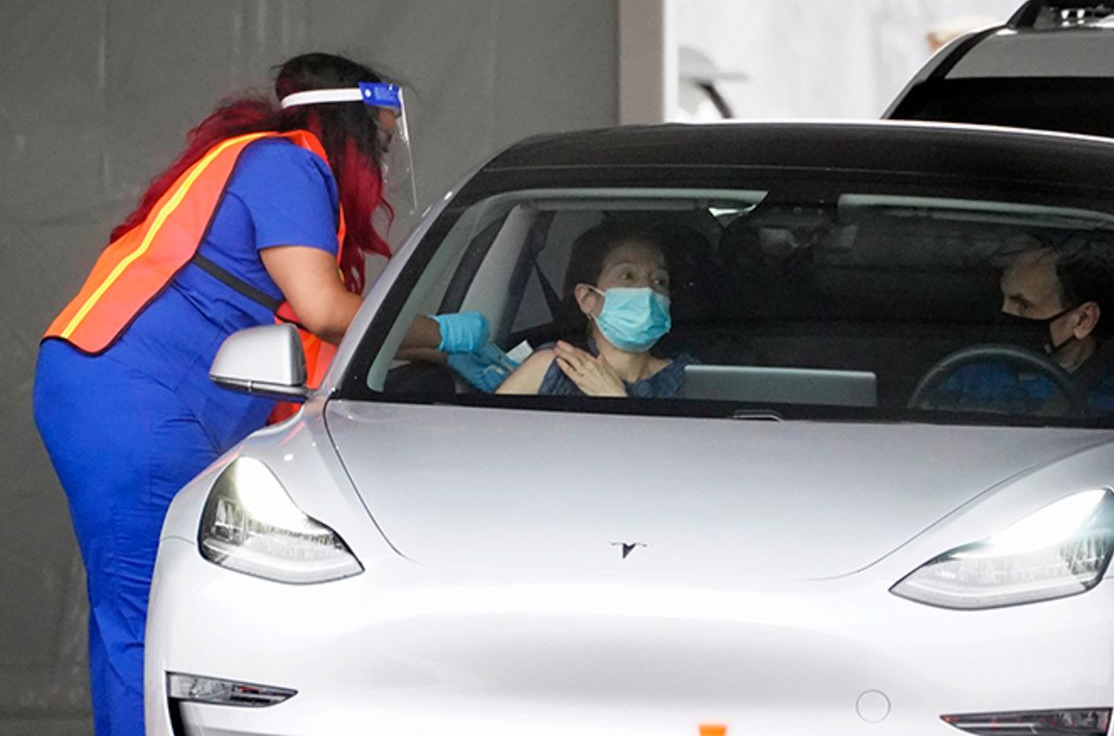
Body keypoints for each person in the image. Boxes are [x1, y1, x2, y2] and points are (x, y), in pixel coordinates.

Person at [31, 53, 491, 736]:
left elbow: (319, 349)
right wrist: (448, 334)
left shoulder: (271, 169)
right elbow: (326, 310)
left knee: (129, 617)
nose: (386, 164)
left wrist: (424, 353)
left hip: (109, 388)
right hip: (129, 397)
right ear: (348, 126)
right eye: (383, 141)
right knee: (151, 621)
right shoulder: (287, 163)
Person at [931, 237, 1114, 415]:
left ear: (1083, 320)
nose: (1005, 314)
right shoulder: (969, 371)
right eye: (1003, 300)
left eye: (1023, 306)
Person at [497, 222, 693, 397]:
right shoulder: (553, 368)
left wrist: (614, 397)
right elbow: (488, 431)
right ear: (587, 298)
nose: (647, 290)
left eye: (659, 280)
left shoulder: (689, 379)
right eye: (628, 276)